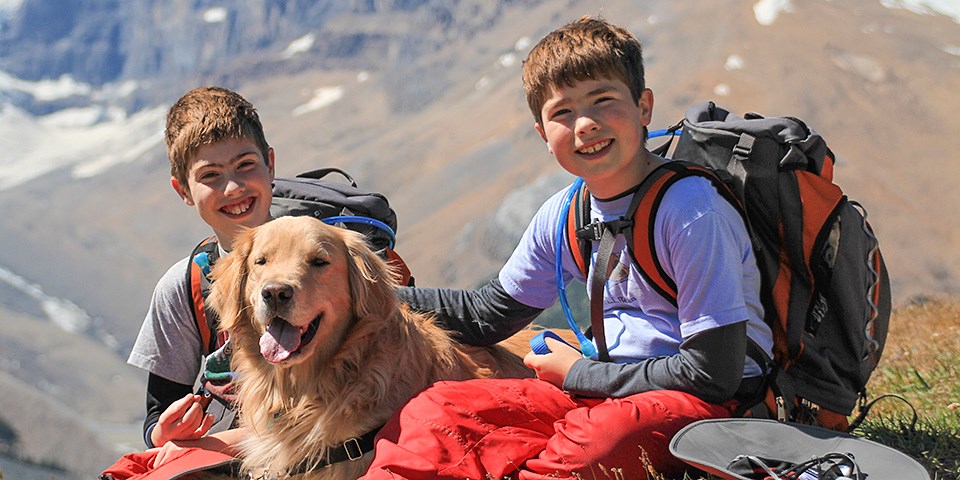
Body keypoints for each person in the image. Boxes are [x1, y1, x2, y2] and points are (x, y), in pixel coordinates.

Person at [361, 16, 775, 480]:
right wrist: (361, 289)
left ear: (644, 107)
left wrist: (579, 374)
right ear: (542, 133)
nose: (585, 125)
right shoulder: (565, 213)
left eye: (603, 101)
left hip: (712, 406)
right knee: (433, 413)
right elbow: (487, 315)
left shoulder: (692, 210)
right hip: (604, 393)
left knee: (599, 443)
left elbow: (712, 374)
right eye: (562, 113)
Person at [126, 86, 275, 452]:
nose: (234, 187)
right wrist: (163, 433)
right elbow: (158, 414)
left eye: (246, 165)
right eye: (210, 176)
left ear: (270, 163)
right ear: (183, 190)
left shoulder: (329, 256)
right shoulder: (184, 286)